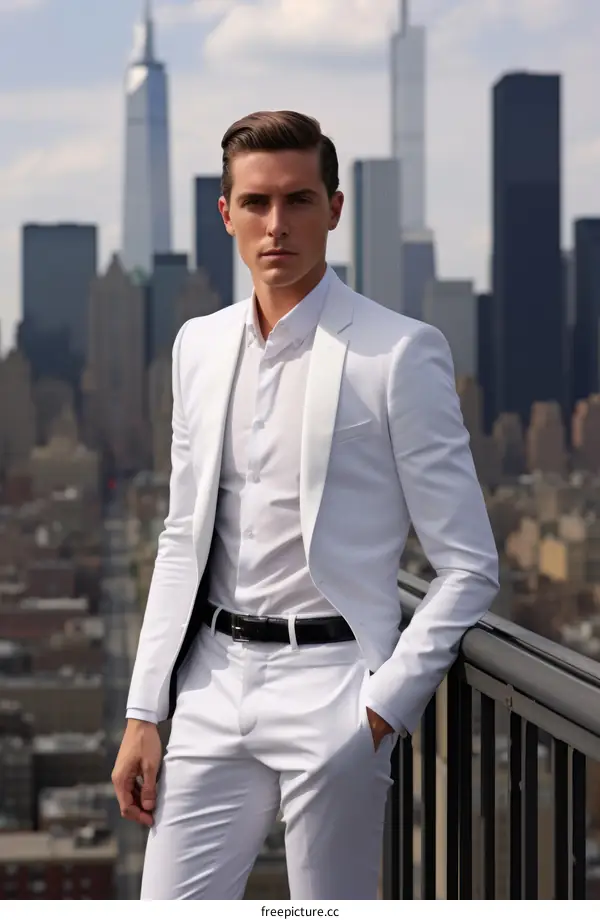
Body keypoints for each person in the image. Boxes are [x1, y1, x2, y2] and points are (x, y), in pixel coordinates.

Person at [112, 110, 499, 900]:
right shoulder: (199, 345)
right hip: (212, 684)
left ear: (335, 207)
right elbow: (183, 536)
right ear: (226, 214)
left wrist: (380, 712)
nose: (276, 224)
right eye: (256, 203)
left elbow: (468, 564)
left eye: (298, 200)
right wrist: (145, 709)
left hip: (334, 692)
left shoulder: (399, 351)